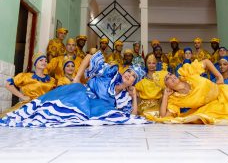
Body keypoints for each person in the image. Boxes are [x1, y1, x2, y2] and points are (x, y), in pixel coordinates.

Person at [0, 51, 148, 127]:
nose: (129, 75)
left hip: (92, 107)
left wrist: (134, 96)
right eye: (129, 72)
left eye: (133, 76)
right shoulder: (110, 72)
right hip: (79, 93)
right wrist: (77, 78)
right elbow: (90, 56)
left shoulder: (123, 96)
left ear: (134, 82)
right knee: (53, 102)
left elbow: (132, 115)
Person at [1, 52, 56, 117]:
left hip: (45, 107)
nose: (44, 62)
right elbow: (8, 84)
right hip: (29, 105)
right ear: (35, 63)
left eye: (46, 61)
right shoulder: (26, 76)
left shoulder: (51, 80)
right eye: (41, 60)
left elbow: (55, 93)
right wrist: (22, 96)